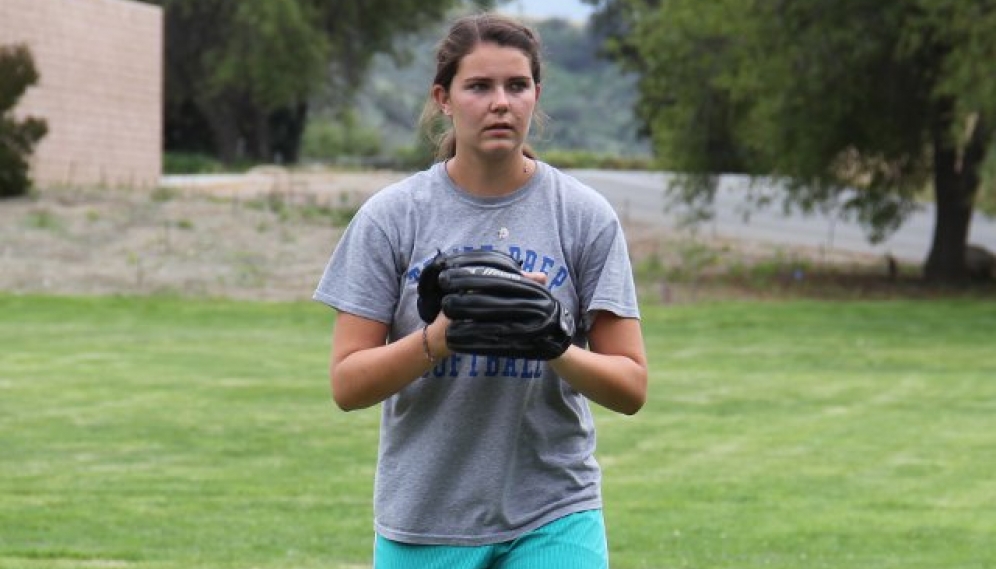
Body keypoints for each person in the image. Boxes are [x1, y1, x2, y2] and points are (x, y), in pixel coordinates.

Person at [313, 12, 647, 569]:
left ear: (536, 95)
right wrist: (438, 340)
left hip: (553, 513)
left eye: (517, 86)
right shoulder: (392, 218)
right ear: (443, 98)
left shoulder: (584, 217)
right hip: (423, 520)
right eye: (479, 86)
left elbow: (631, 387)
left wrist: (552, 342)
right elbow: (347, 384)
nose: (501, 103)